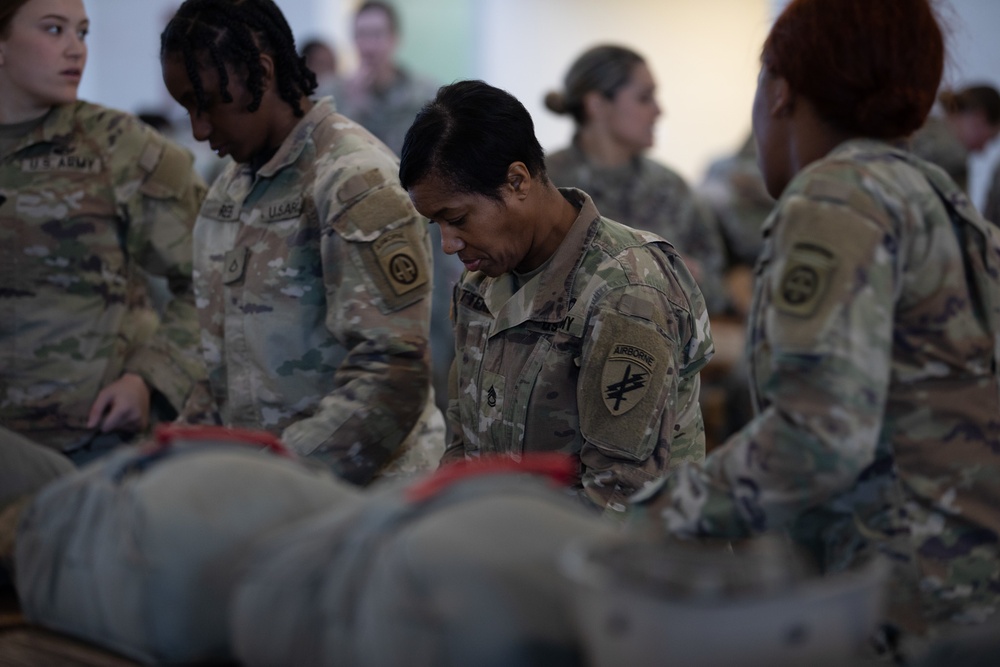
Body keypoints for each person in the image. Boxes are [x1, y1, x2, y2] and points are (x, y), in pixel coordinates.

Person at [634, 0, 1000, 644]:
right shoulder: (946, 204)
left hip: (892, 605)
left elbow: (817, 437)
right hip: (966, 595)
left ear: (779, 91)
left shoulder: (837, 196)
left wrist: (661, 511)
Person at [400, 80, 714, 518]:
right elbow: (464, 448)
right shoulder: (482, 285)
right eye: (437, 226)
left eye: (457, 219)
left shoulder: (624, 292)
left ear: (517, 181)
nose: (449, 244)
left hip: (605, 567)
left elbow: (618, 499)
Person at [161, 0, 442, 485]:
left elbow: (392, 378)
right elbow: (220, 369)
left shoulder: (352, 181)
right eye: (186, 107)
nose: (199, 129)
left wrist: (274, 478)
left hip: (361, 495)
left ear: (261, 73)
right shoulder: (228, 193)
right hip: (265, 491)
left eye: (206, 103)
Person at [0, 0, 206, 464]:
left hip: (92, 446)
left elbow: (211, 277)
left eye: (83, 33)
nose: (76, 49)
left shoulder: (120, 146)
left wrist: (149, 379)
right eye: (55, 31)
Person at [909, 84, 1000, 194]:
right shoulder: (954, 160)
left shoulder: (916, 129)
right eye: (988, 138)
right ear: (979, 117)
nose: (982, 150)